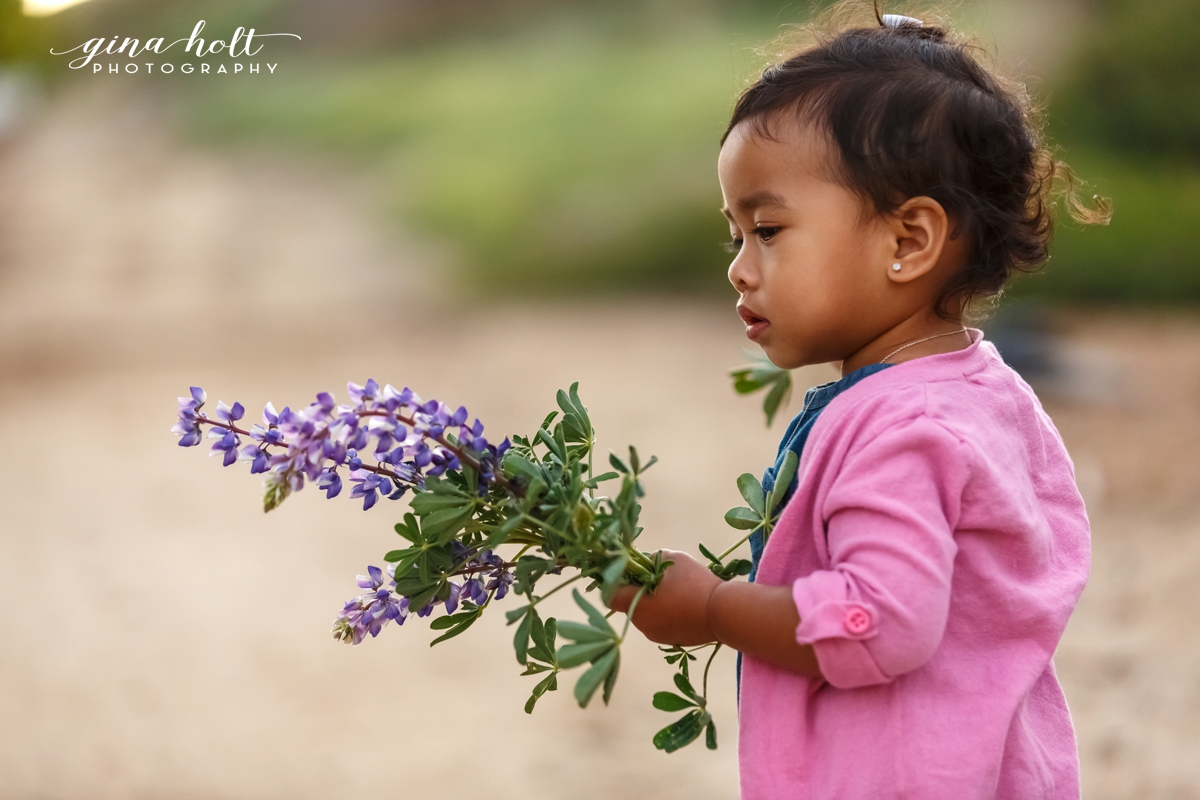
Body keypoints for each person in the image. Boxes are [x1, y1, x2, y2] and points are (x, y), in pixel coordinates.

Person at [610, 3, 1110, 798]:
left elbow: (879, 622)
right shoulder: (986, 391)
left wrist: (712, 609)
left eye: (768, 230)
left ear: (908, 241)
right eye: (734, 234)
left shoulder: (905, 426)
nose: (740, 268)